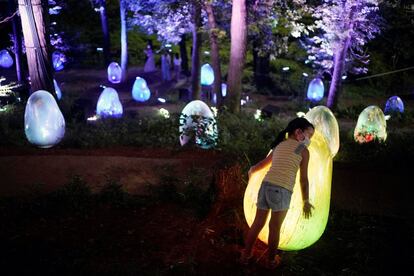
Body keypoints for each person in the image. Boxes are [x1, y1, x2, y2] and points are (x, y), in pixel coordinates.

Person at [240, 117, 315, 269]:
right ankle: (271, 261)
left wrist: (251, 173)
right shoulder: (303, 152)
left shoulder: (280, 145)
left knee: (257, 224)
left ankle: (246, 255)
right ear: (298, 132)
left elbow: (258, 166)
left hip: (265, 187)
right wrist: (306, 201)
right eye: (309, 135)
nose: (309, 139)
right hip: (282, 191)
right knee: (275, 228)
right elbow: (303, 180)